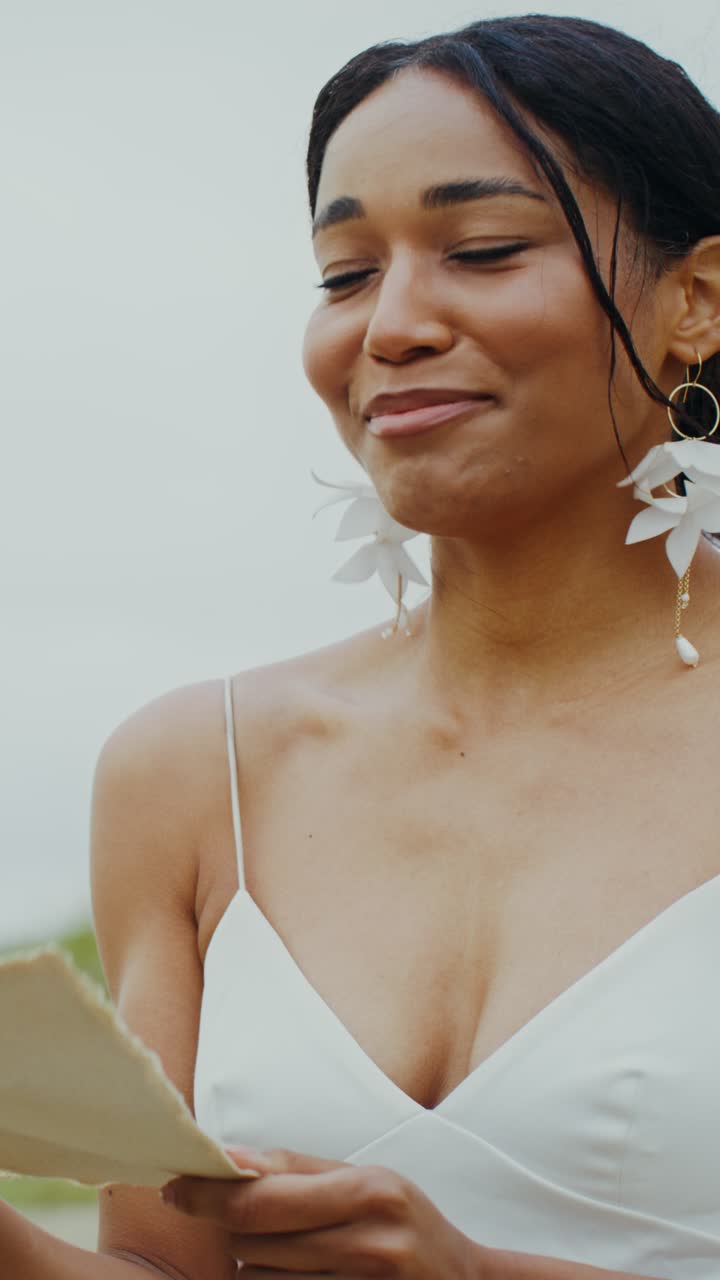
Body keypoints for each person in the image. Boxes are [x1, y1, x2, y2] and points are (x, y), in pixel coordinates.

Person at [4, 11, 720, 1278]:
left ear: (698, 300)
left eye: (484, 249)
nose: (388, 325)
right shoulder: (194, 771)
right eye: (343, 273)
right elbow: (162, 1267)